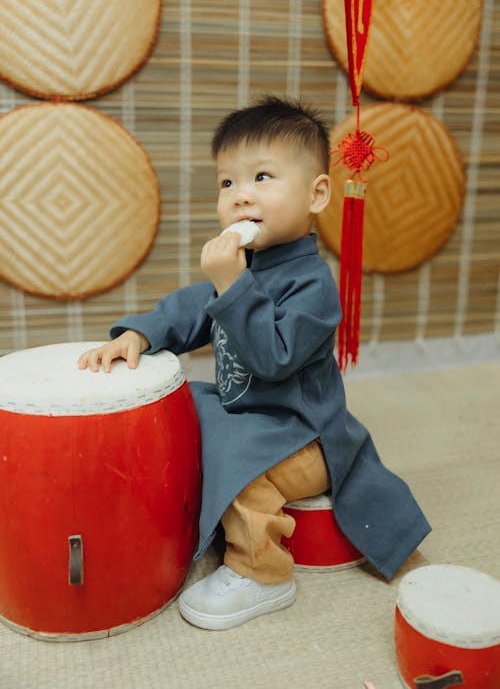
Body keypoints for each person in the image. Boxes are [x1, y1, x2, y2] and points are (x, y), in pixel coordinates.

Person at [78, 96, 431, 630]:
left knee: (243, 465)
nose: (241, 196)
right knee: (180, 410)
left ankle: (263, 574)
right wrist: (139, 333)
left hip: (303, 433)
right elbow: (189, 309)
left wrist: (232, 284)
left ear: (316, 194)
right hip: (249, 415)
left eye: (262, 177)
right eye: (227, 183)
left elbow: (274, 359)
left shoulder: (313, 286)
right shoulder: (242, 268)